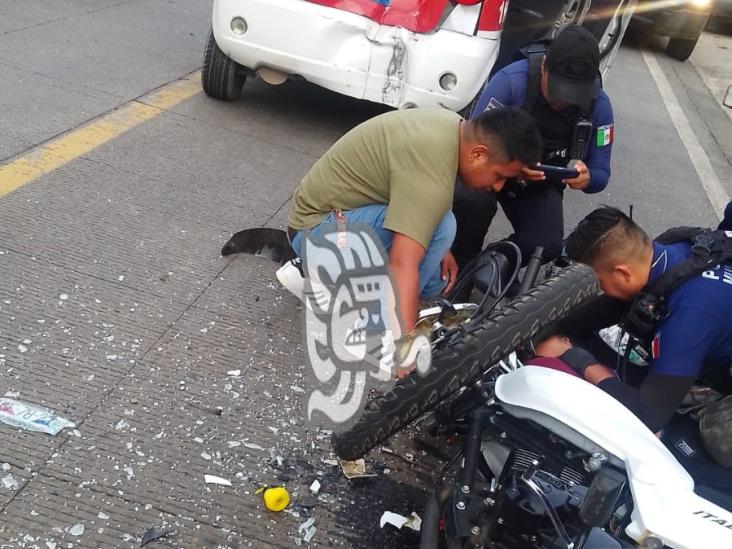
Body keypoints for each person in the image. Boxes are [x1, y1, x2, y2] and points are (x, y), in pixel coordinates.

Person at [276, 106, 542, 332]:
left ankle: (350, 290)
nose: (498, 187)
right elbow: (403, 262)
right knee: (441, 228)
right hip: (312, 232)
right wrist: (405, 341)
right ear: (478, 154)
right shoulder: (431, 170)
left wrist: (441, 248)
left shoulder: (452, 127)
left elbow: (419, 187)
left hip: (334, 219)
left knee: (434, 281)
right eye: (499, 176)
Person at [537, 206, 732, 436]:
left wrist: (574, 357)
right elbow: (623, 302)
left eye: (599, 283)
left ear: (623, 273)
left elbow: (648, 415)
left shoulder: (690, 317)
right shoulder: (674, 253)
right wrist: (541, 326)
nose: (601, 290)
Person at [452, 25, 615, 270]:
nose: (562, 101)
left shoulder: (600, 106)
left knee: (546, 245)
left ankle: (491, 264)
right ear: (544, 65)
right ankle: (461, 262)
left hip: (540, 182)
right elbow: (469, 145)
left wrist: (587, 178)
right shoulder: (510, 81)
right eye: (558, 88)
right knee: (470, 201)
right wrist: (512, 166)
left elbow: (602, 173)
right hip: (491, 169)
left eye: (574, 94)